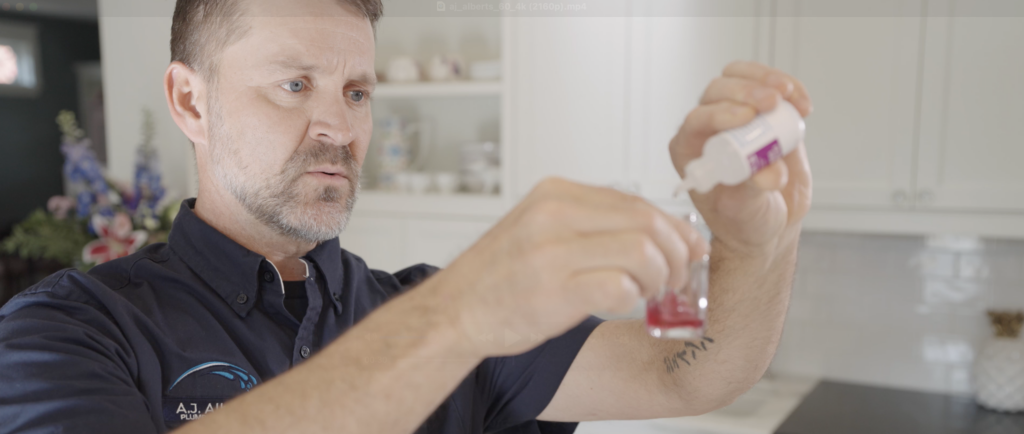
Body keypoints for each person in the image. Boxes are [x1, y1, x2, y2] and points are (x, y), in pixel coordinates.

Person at [0, 0, 814, 433]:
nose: (338, 127)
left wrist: (758, 243)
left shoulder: (423, 309)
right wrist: (458, 316)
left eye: (357, 92)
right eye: (295, 84)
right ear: (190, 99)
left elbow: (693, 374)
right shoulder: (63, 332)